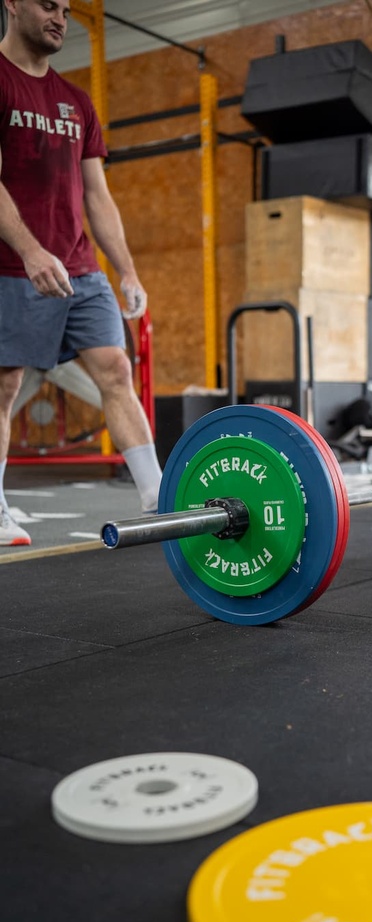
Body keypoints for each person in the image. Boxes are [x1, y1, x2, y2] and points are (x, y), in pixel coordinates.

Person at [0, 0, 162, 546]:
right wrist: (30, 250)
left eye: (67, 11)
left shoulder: (76, 101)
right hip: (11, 264)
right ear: (12, 3)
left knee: (115, 369)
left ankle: (158, 498)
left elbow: (97, 195)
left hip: (79, 266)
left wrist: (128, 271)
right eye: (48, 5)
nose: (60, 19)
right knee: (4, 386)